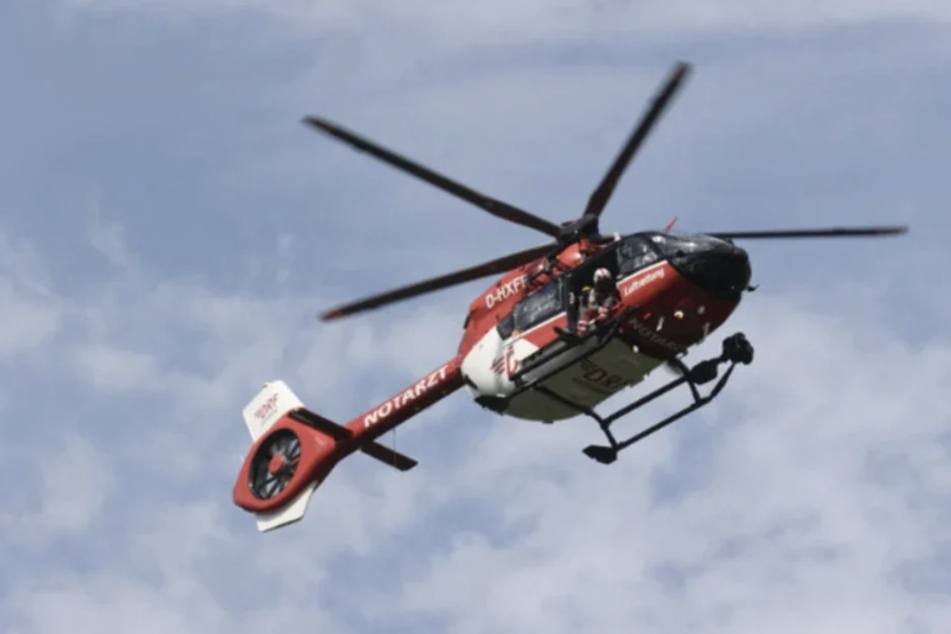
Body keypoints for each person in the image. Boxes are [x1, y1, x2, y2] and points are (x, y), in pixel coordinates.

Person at [577, 267, 621, 334]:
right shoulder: (593, 292)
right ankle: (581, 332)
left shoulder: (616, 288)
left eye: (606, 281)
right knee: (586, 311)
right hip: (600, 315)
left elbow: (617, 300)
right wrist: (598, 309)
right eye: (601, 283)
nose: (604, 285)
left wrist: (607, 308)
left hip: (615, 312)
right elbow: (591, 305)